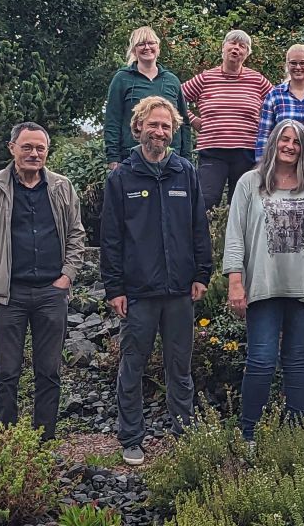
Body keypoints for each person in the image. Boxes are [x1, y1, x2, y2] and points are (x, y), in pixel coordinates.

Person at [101, 96, 212, 466]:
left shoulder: (185, 172)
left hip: (180, 289)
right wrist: (114, 288)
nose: (159, 131)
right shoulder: (122, 177)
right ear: (138, 127)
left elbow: (200, 228)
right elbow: (111, 237)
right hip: (138, 293)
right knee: (132, 366)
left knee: (179, 367)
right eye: (153, 124)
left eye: (166, 126)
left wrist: (202, 274)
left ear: (173, 131)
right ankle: (131, 438)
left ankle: (183, 434)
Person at [223, 119, 304, 443]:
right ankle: (248, 435)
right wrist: (236, 280)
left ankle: (293, 436)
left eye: (296, 142)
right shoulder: (250, 183)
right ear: (273, 142)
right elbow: (234, 235)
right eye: (284, 140)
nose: (289, 146)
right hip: (263, 285)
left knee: (298, 362)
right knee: (261, 361)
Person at [0, 122, 85, 442]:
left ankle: (42, 441)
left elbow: (77, 235)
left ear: (47, 152)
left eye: (40, 148)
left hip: (51, 292)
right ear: (12, 149)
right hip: (9, 295)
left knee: (49, 372)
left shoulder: (62, 187)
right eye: (27, 147)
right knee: (6, 372)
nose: (34, 154)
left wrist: (67, 277)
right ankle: (6, 443)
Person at [182, 29, 275, 210]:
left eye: (242, 46)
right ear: (223, 48)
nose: (236, 49)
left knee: (243, 206)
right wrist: (192, 119)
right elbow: (174, 97)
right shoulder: (206, 78)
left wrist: (266, 130)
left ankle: (237, 239)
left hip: (247, 152)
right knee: (205, 202)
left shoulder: (257, 80)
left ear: (247, 54)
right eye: (232, 43)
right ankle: (206, 238)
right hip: (212, 150)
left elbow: (277, 104)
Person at [104, 26, 193, 168]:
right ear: (134, 50)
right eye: (141, 44)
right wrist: (113, 157)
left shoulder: (172, 80)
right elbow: (112, 120)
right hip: (132, 156)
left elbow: (184, 122)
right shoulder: (121, 79)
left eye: (151, 43)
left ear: (158, 48)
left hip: (170, 156)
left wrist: (186, 157)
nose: (147, 47)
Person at [255, 44, 304, 159]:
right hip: (283, 161)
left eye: (302, 63)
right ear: (287, 65)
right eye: (293, 63)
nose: (298, 67)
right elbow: (264, 134)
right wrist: (261, 165)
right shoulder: (275, 95)